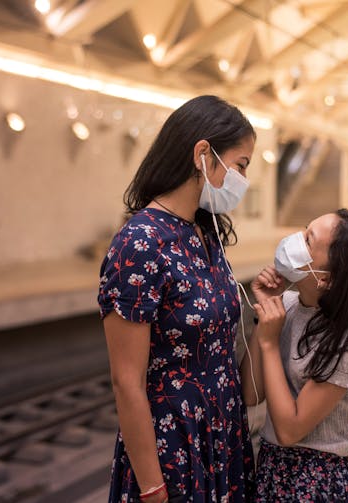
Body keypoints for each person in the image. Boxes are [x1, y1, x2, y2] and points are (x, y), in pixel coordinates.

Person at [98, 95, 257, 502]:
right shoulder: (140, 242)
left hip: (220, 438)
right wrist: (152, 488)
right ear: (203, 153)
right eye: (241, 165)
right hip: (174, 448)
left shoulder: (204, 233)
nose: (242, 179)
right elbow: (126, 380)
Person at [240, 209, 348, 502]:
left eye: (308, 240)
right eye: (304, 230)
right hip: (273, 467)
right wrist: (266, 317)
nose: (294, 240)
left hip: (319, 479)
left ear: (327, 279)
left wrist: (270, 344)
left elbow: (290, 430)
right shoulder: (288, 304)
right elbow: (251, 394)